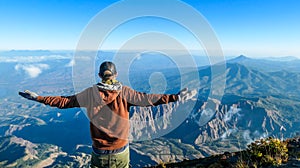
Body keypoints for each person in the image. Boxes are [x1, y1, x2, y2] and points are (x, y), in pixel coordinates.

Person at [19, 61, 197, 168]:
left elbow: (65, 102)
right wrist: (176, 97)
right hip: (121, 150)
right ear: (116, 74)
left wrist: (38, 98)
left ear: (99, 75)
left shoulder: (90, 93)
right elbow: (148, 99)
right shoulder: (125, 93)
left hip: (99, 152)